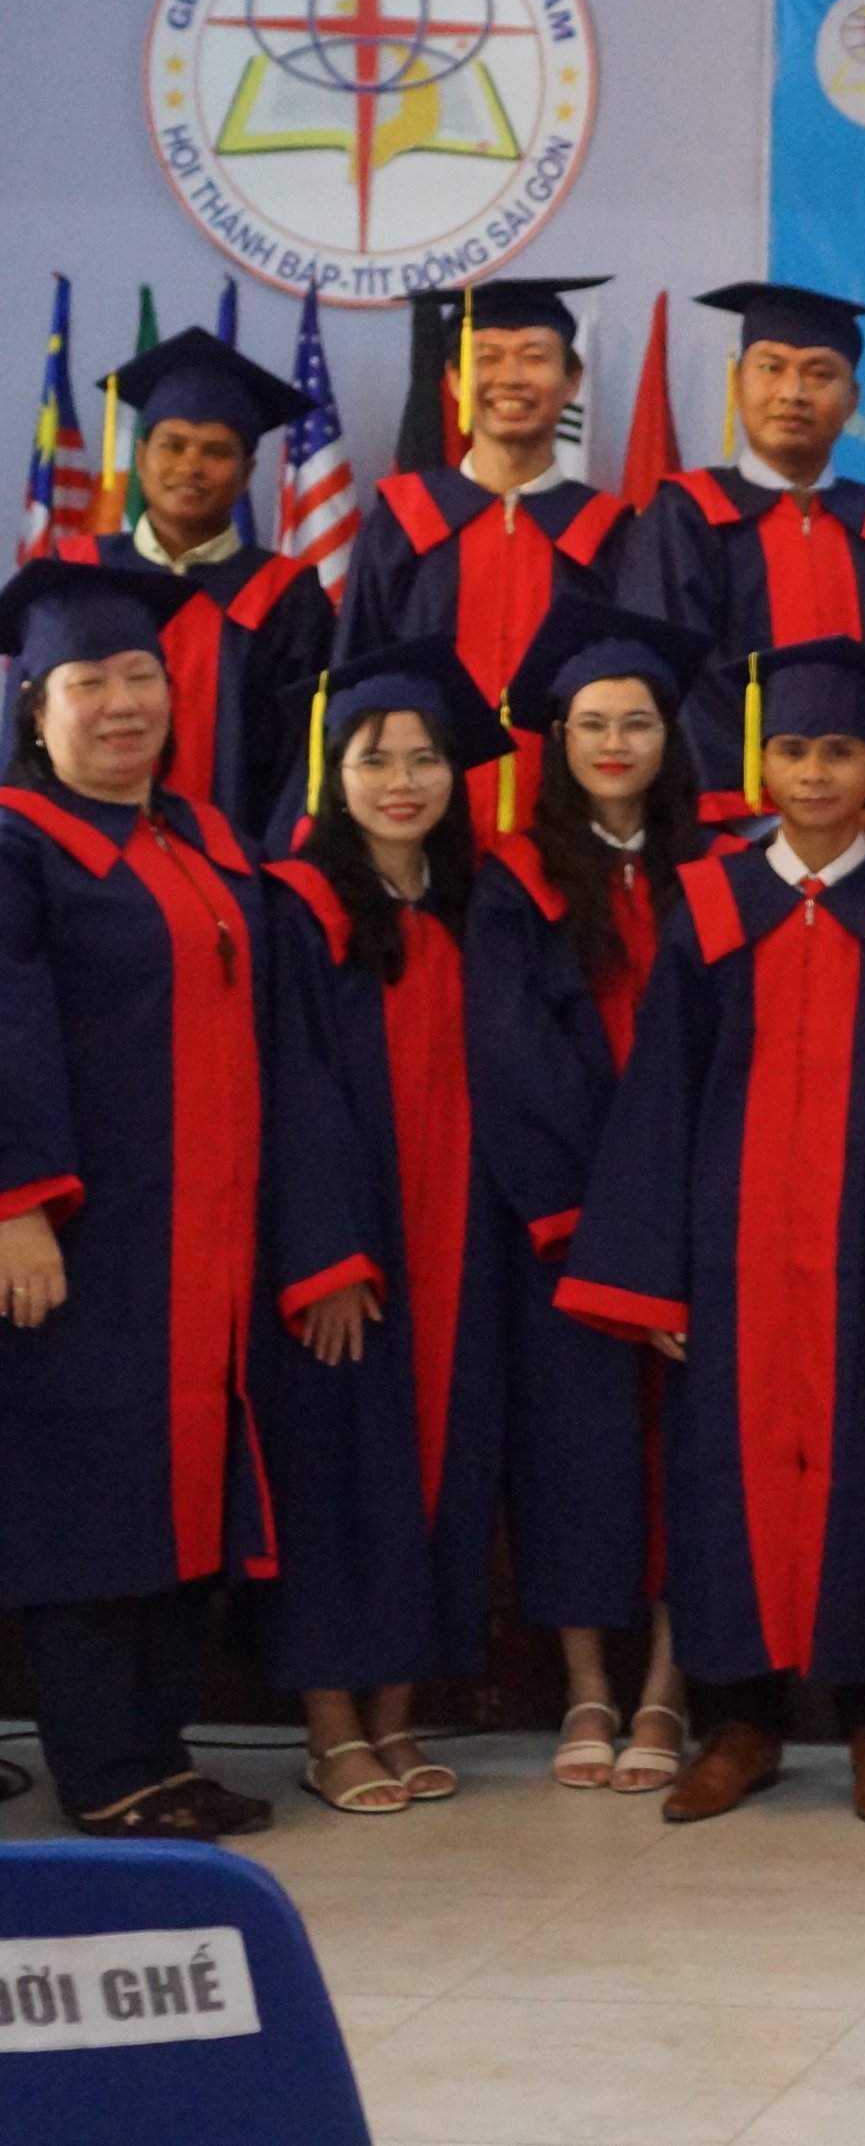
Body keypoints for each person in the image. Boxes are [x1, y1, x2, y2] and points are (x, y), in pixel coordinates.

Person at [554, 639, 865, 1828]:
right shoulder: (711, 906)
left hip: (863, 1269)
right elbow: (661, 1097)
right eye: (794, 750)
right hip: (732, 1264)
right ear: (761, 765)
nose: (814, 773)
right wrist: (655, 1279)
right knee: (722, 1488)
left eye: (839, 752)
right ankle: (741, 1723)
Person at [0, 560, 289, 1839]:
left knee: (182, 1484)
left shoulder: (203, 840)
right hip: (84, 1232)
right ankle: (107, 1769)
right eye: (87, 682)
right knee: (84, 1492)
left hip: (201, 1236)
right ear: (35, 705)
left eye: (140, 677)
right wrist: (14, 1205)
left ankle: (161, 1748)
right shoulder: (19, 845)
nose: (122, 705)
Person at [255, 641, 513, 1815]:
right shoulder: (298, 909)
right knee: (335, 1472)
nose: (402, 782)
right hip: (351, 1243)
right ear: (332, 776)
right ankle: (329, 1725)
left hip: (462, 1236)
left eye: (424, 759)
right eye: (373, 759)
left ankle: (398, 1714)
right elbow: (288, 1088)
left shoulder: (475, 906)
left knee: (442, 1469)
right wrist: (325, 1255)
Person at [472, 596, 709, 1796]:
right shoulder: (514, 879)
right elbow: (513, 1058)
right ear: (556, 742)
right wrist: (587, 1217)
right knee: (574, 1448)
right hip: (565, 1223)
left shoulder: (717, 871)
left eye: (638, 722)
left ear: (671, 736)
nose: (615, 744)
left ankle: (667, 1687)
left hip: (695, 1217)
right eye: (592, 724)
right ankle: (585, 1686)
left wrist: (686, 1208)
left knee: (689, 1450)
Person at [613, 284, 865, 818]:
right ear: (737, 383)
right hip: (724, 818)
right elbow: (674, 674)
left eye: (820, 374)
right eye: (771, 368)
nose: (793, 392)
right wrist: (757, 806)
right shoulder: (684, 517)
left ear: (853, 399)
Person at [338, 276, 636, 843]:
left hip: (570, 835)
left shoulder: (610, 534)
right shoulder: (403, 524)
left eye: (535, 357)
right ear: (454, 381)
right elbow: (359, 679)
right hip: (419, 833)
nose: (511, 378)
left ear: (572, 380)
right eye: (488, 358)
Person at [61, 328, 335, 835]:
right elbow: (30, 731)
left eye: (216, 451)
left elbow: (303, 757)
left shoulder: (285, 595)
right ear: (141, 457)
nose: (191, 466)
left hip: (237, 858)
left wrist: (267, 866)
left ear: (246, 472)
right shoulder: (77, 575)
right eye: (173, 445)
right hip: (83, 857)